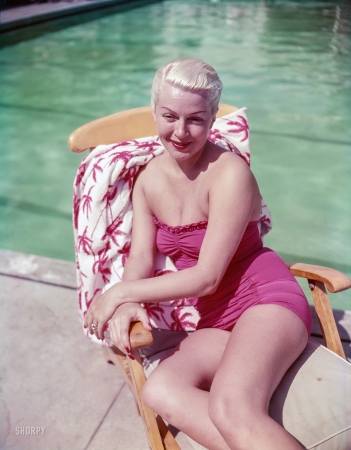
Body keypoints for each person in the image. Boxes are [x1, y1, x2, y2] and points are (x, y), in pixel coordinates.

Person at [84, 58, 312, 450]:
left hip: (265, 302)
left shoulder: (229, 175)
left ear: (212, 119)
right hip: (216, 320)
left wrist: (119, 294)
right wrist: (127, 297)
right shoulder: (148, 181)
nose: (181, 132)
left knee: (231, 408)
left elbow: (207, 276)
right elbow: (140, 258)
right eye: (170, 116)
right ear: (155, 111)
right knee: (160, 390)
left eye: (196, 119)